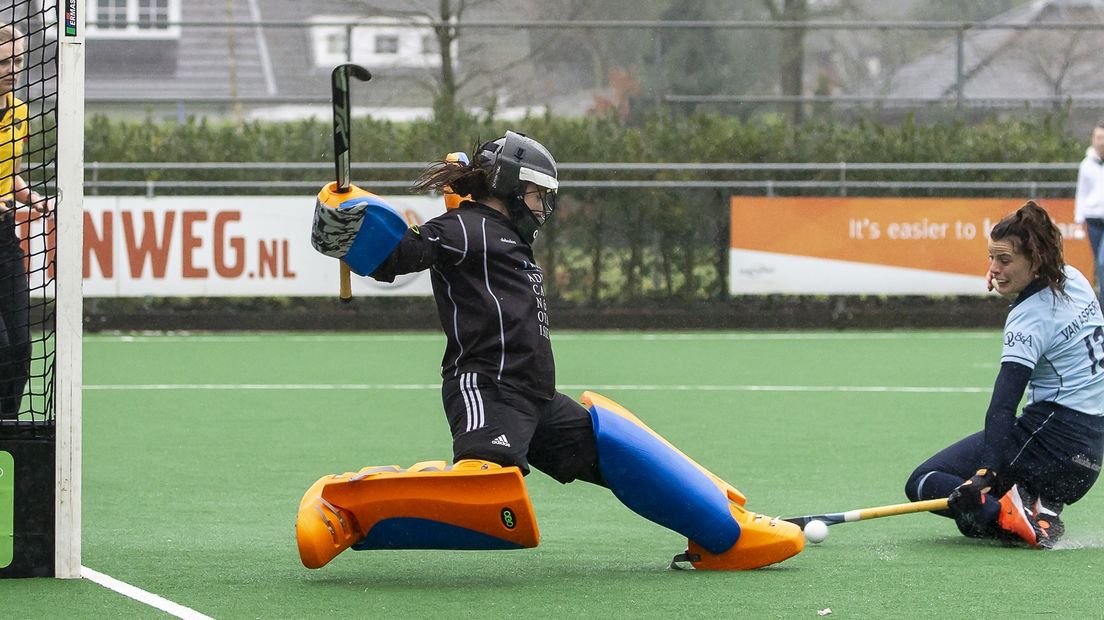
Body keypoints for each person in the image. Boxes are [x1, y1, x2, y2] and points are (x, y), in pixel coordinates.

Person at [295, 131, 803, 571]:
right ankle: (343, 507)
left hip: (536, 396)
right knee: (488, 492)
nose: (543, 207)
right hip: (488, 388)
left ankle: (725, 534)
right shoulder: (465, 228)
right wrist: (351, 224)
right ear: (512, 189)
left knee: (620, 454)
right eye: (538, 195)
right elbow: (396, 258)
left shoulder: (486, 230)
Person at [905, 200, 1104, 549]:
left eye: (1005, 260)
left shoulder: (1028, 319)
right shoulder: (1074, 278)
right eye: (991, 259)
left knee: (925, 482)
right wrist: (1011, 278)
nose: (994, 268)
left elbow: (1002, 406)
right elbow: (1046, 305)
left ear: (1036, 260)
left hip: (1050, 441)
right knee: (968, 511)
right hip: (1085, 459)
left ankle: (1010, 517)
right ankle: (1036, 504)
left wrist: (985, 474)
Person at [0, 24, 53, 419]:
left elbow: (9, 173)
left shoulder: (19, 111)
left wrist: (32, 198)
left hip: (3, 240)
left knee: (20, 348)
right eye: (5, 61)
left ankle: (7, 431)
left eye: (18, 60)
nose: (13, 69)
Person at [1074, 121, 1104, 305]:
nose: (1101, 142)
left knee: (1102, 263)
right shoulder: (1086, 164)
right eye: (1098, 137)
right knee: (1099, 267)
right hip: (1093, 222)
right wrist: (1079, 219)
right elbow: (1082, 193)